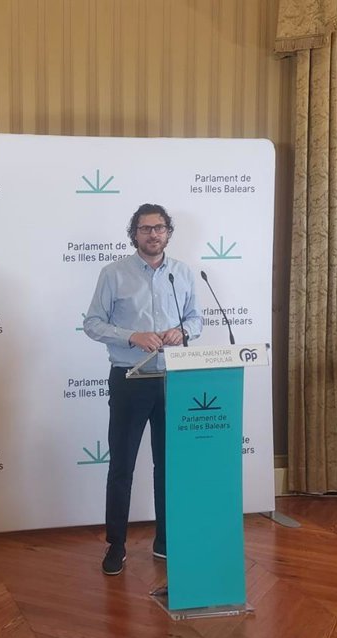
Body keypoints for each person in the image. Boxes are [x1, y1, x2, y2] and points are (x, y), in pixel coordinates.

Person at [83, 203, 203, 576]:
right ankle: (116, 545)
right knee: (122, 465)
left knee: (169, 466)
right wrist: (131, 335)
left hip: (172, 379)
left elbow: (196, 319)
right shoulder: (113, 273)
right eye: (145, 228)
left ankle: (165, 540)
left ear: (168, 232)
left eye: (159, 227)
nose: (153, 234)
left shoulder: (182, 273)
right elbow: (92, 323)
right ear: (134, 233)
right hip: (129, 380)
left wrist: (183, 331)